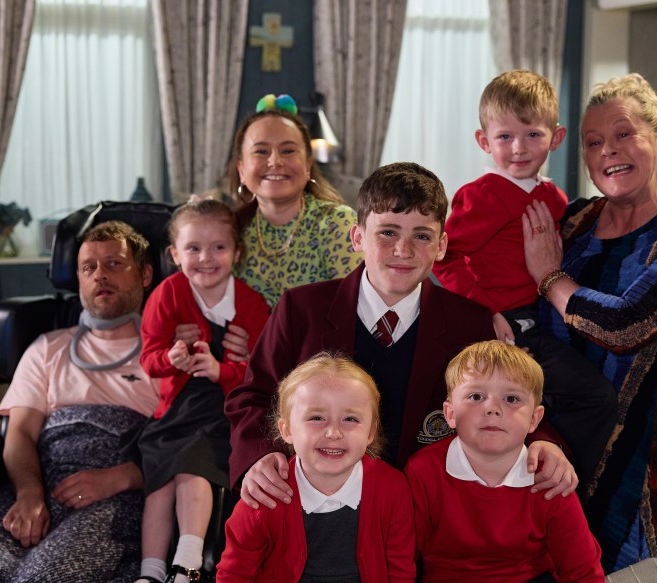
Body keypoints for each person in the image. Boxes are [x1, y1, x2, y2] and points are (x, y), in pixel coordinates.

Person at [227, 161, 577, 511]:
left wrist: (544, 443)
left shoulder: (469, 324)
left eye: (421, 236)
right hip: (313, 506)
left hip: (424, 514)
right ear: (357, 237)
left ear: (441, 246)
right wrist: (260, 456)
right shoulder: (300, 309)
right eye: (388, 233)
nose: (403, 250)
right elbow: (254, 396)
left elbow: (504, 402)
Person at [523, 73, 657, 573]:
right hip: (534, 438)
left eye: (623, 134)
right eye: (594, 143)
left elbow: (626, 327)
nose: (608, 151)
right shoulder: (571, 221)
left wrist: (549, 279)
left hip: (624, 459)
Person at [0, 221, 161, 583]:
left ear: (145, 275)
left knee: (51, 581)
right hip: (45, 479)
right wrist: (28, 493)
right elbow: (19, 433)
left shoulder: (168, 354)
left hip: (121, 491)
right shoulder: (46, 348)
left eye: (115, 263)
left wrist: (127, 475)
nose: (100, 275)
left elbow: (190, 443)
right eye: (88, 267)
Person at [433, 69, 618, 485]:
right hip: (494, 325)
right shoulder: (481, 195)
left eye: (533, 135)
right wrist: (488, 312)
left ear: (556, 137)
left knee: (595, 398)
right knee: (582, 398)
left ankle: (560, 483)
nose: (519, 148)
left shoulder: (554, 197)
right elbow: (444, 259)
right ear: (484, 141)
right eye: (504, 137)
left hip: (534, 323)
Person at [109, 200, 271, 583]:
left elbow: (265, 372)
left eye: (218, 248)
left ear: (237, 252)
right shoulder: (168, 294)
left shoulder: (252, 305)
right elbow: (149, 358)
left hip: (225, 411)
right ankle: (150, 573)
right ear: (175, 254)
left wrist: (223, 369)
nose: (205, 259)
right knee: (159, 481)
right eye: (193, 249)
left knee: (191, 468)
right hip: (176, 408)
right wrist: (172, 359)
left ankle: (188, 565)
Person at [405, 341, 604, 583]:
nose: (492, 409)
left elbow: (583, 575)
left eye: (511, 399)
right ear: (450, 414)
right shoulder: (423, 472)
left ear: (534, 419)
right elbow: (401, 561)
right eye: (475, 396)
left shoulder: (549, 478)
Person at [216, 353, 416, 583]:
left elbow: (400, 575)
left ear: (371, 432)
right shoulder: (267, 492)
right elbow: (234, 575)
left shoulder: (392, 489)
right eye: (316, 417)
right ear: (286, 429)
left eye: (350, 419)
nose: (333, 432)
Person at [230, 93, 364, 307]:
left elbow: (353, 313)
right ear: (242, 170)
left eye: (288, 150)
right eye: (261, 151)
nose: (275, 161)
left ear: (308, 166)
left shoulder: (338, 224)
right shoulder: (230, 231)